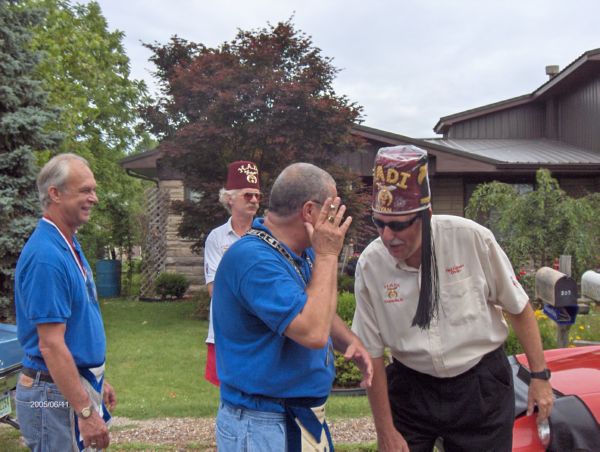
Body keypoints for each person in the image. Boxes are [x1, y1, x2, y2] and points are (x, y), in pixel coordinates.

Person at [352, 145, 554, 452]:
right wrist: (385, 431)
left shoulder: (471, 238)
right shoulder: (371, 264)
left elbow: (518, 307)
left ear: (427, 215)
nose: (388, 236)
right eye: (380, 224)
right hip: (412, 387)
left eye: (400, 225)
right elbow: (372, 353)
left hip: (479, 385)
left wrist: (540, 377)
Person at [212, 162, 373, 451]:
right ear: (310, 211)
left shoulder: (301, 252)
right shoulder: (254, 259)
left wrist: (350, 341)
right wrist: (327, 255)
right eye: (332, 207)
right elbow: (312, 332)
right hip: (263, 423)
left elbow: (314, 307)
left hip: (297, 417)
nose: (336, 216)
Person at [15, 153, 116, 451]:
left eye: (93, 189)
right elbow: (51, 345)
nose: (94, 198)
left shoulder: (67, 243)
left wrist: (96, 379)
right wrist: (85, 410)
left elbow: (77, 325)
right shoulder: (47, 256)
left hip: (69, 385)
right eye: (85, 190)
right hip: (52, 395)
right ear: (55, 193)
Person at [203, 160, 261, 386]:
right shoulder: (217, 238)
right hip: (226, 331)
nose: (255, 200)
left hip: (260, 332)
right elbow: (215, 290)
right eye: (248, 195)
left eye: (258, 195)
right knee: (229, 394)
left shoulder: (266, 235)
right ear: (229, 198)